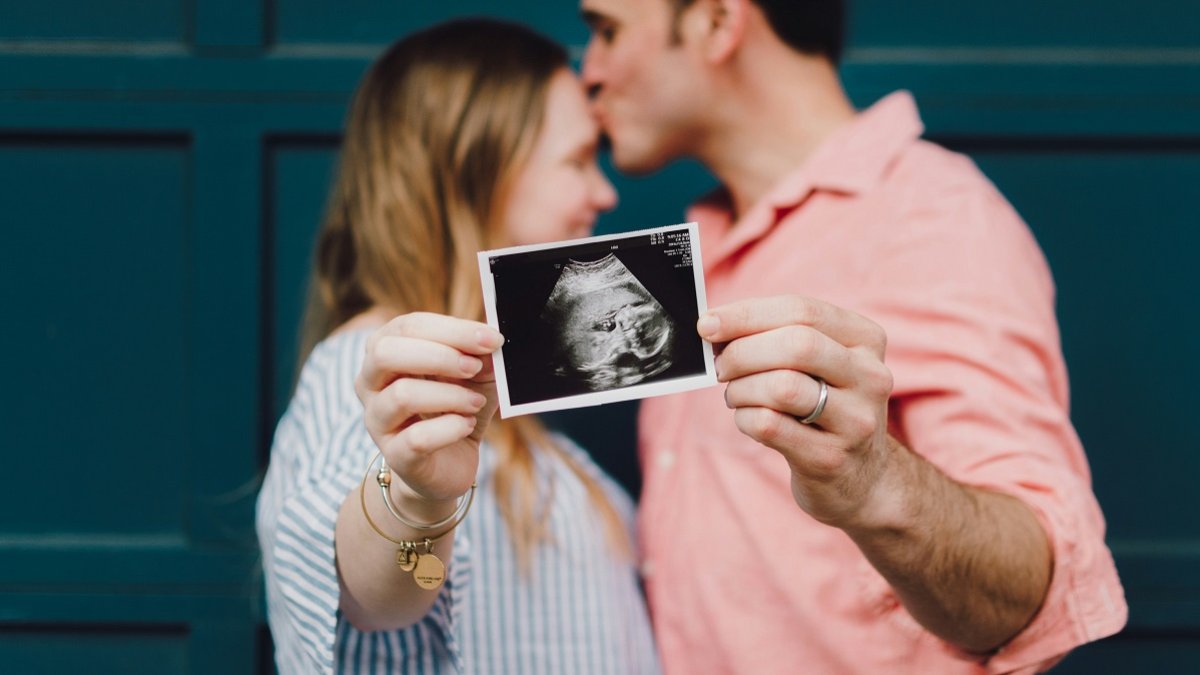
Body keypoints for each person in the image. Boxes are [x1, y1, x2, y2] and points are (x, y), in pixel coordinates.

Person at [578, 0, 1127, 672]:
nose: (590, 72)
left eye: (607, 30)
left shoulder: (932, 218)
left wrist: (871, 482)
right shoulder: (699, 246)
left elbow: (1028, 596)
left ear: (718, 21)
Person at [256, 18, 659, 675]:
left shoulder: (508, 413)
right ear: (475, 170)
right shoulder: (371, 375)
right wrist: (417, 498)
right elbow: (366, 593)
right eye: (578, 159)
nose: (604, 193)